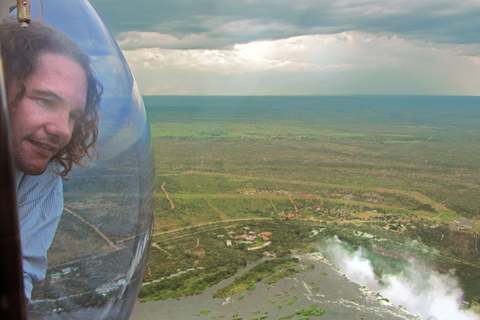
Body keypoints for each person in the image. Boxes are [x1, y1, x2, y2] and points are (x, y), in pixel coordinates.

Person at [0, 19, 103, 301]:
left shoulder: (42, 172)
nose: (63, 130)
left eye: (73, 116)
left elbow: (15, 277)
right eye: (45, 101)